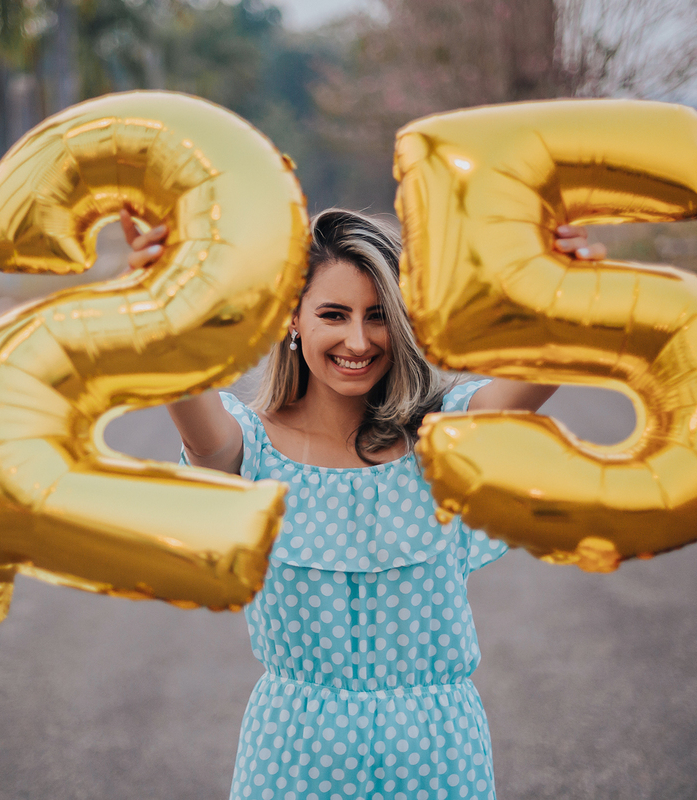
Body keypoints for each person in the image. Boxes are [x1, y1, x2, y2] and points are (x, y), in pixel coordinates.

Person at [121, 207, 605, 800]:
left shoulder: (444, 436)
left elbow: (543, 364)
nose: (358, 340)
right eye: (333, 314)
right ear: (292, 320)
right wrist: (162, 298)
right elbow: (193, 412)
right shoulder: (249, 449)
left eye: (378, 316)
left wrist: (565, 281)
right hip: (293, 757)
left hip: (437, 757)